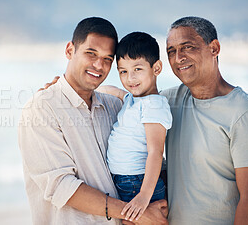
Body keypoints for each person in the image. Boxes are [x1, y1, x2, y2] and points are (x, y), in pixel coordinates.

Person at [18, 17, 168, 225]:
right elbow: (61, 187)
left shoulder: (114, 107)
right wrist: (137, 213)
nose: (99, 65)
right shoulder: (42, 108)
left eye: (107, 58)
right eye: (91, 53)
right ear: (70, 50)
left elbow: (144, 123)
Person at [161, 16, 248, 224]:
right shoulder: (168, 102)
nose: (178, 58)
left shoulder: (247, 113)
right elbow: (129, 102)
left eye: (187, 47)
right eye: (171, 51)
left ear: (214, 48)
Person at [97, 32, 172, 222]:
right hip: (126, 181)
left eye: (137, 69)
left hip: (139, 184)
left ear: (156, 68)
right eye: (123, 71)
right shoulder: (134, 99)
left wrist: (144, 196)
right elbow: (115, 92)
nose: (130, 78)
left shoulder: (154, 105)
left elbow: (156, 151)